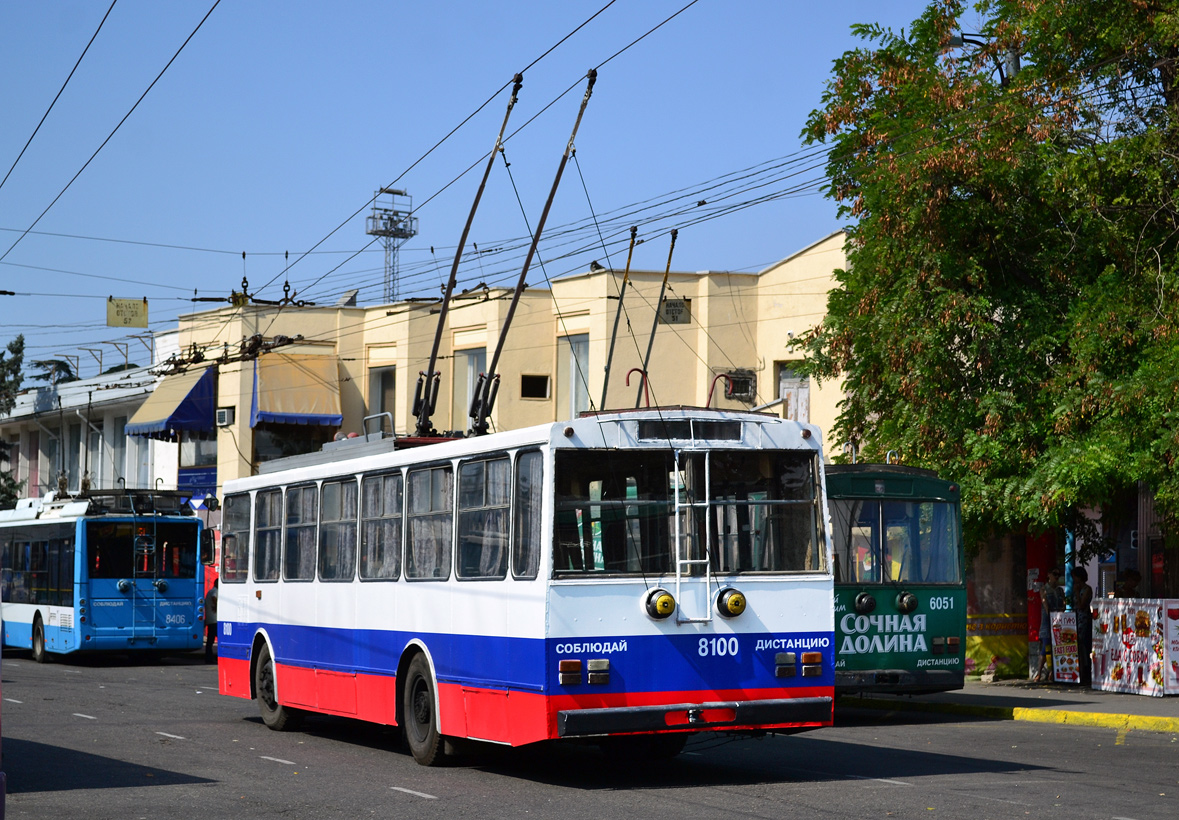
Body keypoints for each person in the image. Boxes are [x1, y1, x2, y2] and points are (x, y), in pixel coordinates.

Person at [1034, 567, 1064, 682]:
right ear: (1049, 575)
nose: (1057, 577)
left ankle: (1052, 673)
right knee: (1046, 647)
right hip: (1048, 621)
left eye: (1058, 575)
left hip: (1059, 621)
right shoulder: (1044, 589)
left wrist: (1061, 612)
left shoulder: (1060, 590)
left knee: (1057, 647)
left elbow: (1064, 604)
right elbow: (1045, 603)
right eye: (1054, 574)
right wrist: (1050, 613)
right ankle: (1039, 673)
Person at [1071, 566, 1094, 686]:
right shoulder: (1077, 588)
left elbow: (1081, 605)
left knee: (1082, 643)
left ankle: (1085, 670)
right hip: (1075, 617)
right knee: (1077, 644)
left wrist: (1076, 592)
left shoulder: (1087, 589)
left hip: (1083, 617)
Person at [204, 578, 219, 663]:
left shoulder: (210, 591)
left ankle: (208, 657)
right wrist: (217, 606)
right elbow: (214, 597)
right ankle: (211, 657)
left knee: (210, 640)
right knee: (216, 639)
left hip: (211, 619)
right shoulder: (215, 591)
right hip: (214, 619)